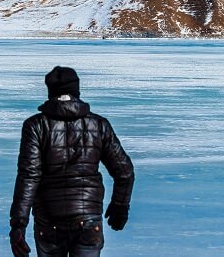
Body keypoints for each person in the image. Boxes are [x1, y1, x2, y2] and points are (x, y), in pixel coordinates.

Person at [9, 66, 135, 257]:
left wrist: (18, 224)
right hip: (88, 220)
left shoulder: (35, 126)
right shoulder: (98, 125)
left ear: (50, 92)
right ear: (77, 91)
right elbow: (124, 172)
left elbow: (29, 176)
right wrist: (120, 206)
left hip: (49, 221)